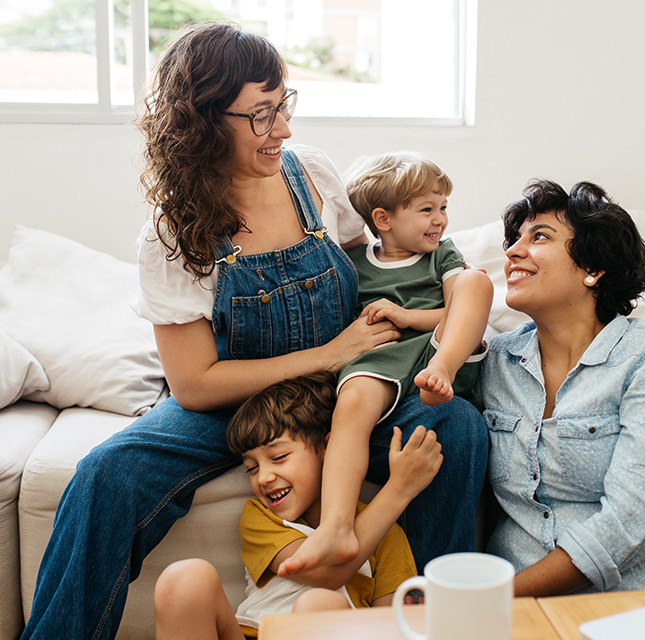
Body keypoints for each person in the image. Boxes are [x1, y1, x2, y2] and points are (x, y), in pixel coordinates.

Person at [20, 22, 487, 640]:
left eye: (283, 106)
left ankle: (438, 626)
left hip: (349, 387)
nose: (284, 131)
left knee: (457, 429)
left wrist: (418, 323)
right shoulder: (172, 236)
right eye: (261, 115)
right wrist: (324, 353)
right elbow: (193, 384)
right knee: (106, 474)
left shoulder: (312, 177)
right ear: (205, 121)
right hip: (237, 402)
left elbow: (370, 273)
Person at [474, 179, 645, 596]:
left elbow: (630, 521)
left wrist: (491, 598)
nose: (512, 251)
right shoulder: (496, 362)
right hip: (524, 612)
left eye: (539, 237)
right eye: (514, 239)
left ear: (593, 268)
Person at [280, 152, 493, 576]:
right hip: (382, 356)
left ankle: (445, 372)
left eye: (443, 208)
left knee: (476, 280)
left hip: (436, 350)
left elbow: (459, 308)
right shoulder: (355, 264)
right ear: (382, 219)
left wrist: (410, 317)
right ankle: (337, 525)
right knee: (353, 402)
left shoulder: (442, 257)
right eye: (426, 210)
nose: (440, 220)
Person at [154, 372, 441, 639]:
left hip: (331, 628)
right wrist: (399, 490)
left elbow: (390, 626)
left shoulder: (385, 534)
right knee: (184, 579)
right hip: (254, 632)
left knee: (318, 605)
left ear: (329, 449)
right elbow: (326, 573)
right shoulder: (261, 518)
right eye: (251, 468)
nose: (264, 477)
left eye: (278, 457)